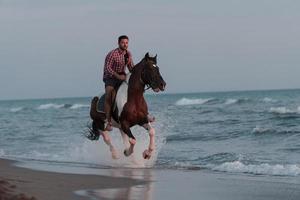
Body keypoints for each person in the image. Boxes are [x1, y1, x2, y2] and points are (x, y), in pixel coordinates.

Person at [103, 35, 134, 131]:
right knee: (109, 95)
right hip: (110, 77)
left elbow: (131, 67)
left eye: (126, 43)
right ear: (119, 43)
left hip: (122, 77)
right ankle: (108, 122)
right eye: (123, 42)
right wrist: (117, 76)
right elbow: (108, 68)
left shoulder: (128, 54)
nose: (125, 44)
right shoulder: (112, 54)